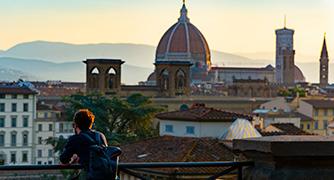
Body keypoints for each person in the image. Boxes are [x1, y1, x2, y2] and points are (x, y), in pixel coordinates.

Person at [60, 109, 108, 179]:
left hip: (90, 176)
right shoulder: (100, 135)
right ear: (90, 124)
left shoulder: (75, 139)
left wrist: (74, 158)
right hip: (105, 175)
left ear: (75, 125)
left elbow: (63, 159)